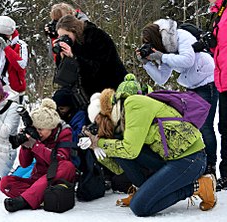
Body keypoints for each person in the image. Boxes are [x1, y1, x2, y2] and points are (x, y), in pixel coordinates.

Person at [83, 86, 217, 217]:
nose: (98, 127)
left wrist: (100, 142)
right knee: (120, 151)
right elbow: (119, 168)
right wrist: (96, 148)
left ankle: (199, 186)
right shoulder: (120, 122)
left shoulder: (133, 104)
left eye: (97, 122)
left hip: (190, 159)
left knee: (139, 206)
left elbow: (130, 150)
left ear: (104, 114)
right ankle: (145, 191)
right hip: (169, 158)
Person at [137, 18, 218, 177]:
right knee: (191, 126)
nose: (150, 47)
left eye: (149, 43)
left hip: (207, 82)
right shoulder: (165, 50)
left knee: (205, 127)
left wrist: (162, 56)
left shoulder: (181, 36)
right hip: (192, 86)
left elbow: (188, 60)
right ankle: (199, 165)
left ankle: (211, 167)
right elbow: (162, 79)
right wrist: (146, 63)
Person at [0, 98, 76, 212]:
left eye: (40, 129)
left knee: (67, 165)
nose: (38, 132)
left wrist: (36, 146)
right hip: (37, 179)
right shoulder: (36, 136)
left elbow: (59, 159)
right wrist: (25, 145)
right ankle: (39, 197)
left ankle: (25, 200)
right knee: (5, 183)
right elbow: (25, 164)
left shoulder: (64, 133)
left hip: (57, 178)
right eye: (35, 129)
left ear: (51, 127)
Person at [55, 14, 128, 100]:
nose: (64, 39)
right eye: (60, 37)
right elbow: (65, 78)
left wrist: (74, 57)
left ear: (74, 31)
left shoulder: (97, 37)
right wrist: (62, 58)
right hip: (88, 94)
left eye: (66, 36)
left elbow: (98, 67)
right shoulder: (73, 45)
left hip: (111, 86)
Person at [0, 15, 28, 104]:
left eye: (5, 35)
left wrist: (6, 48)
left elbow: (21, 65)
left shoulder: (20, 45)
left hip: (15, 90)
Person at [208, 0, 227, 191]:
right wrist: (210, 45)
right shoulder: (219, 13)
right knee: (224, 128)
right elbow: (221, 49)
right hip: (222, 81)